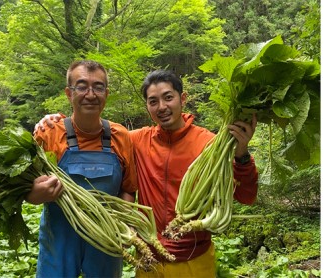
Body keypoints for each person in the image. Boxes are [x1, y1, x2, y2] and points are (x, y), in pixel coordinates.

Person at [35, 69, 258, 278]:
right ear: (148, 107)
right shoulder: (135, 140)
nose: (162, 106)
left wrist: (242, 155)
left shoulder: (210, 144)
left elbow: (246, 196)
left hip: (194, 259)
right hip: (149, 260)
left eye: (168, 97)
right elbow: (92, 133)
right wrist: (56, 122)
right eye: (153, 101)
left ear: (183, 98)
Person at [26, 60, 138, 278]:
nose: (90, 94)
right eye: (81, 86)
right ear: (69, 93)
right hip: (59, 238)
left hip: (106, 235)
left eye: (98, 87)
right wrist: (33, 195)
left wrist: (123, 224)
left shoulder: (121, 136)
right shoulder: (48, 134)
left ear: (106, 93)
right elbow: (25, 188)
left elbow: (127, 189)